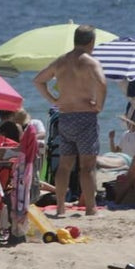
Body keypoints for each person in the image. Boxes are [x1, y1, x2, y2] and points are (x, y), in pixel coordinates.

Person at [33, 25, 107, 216]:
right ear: (91, 42)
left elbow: (38, 80)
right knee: (87, 166)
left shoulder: (61, 62)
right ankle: (90, 209)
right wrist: (98, 105)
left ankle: (60, 208)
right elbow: (102, 83)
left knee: (64, 165)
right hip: (85, 116)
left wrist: (54, 100)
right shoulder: (91, 62)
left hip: (65, 117)